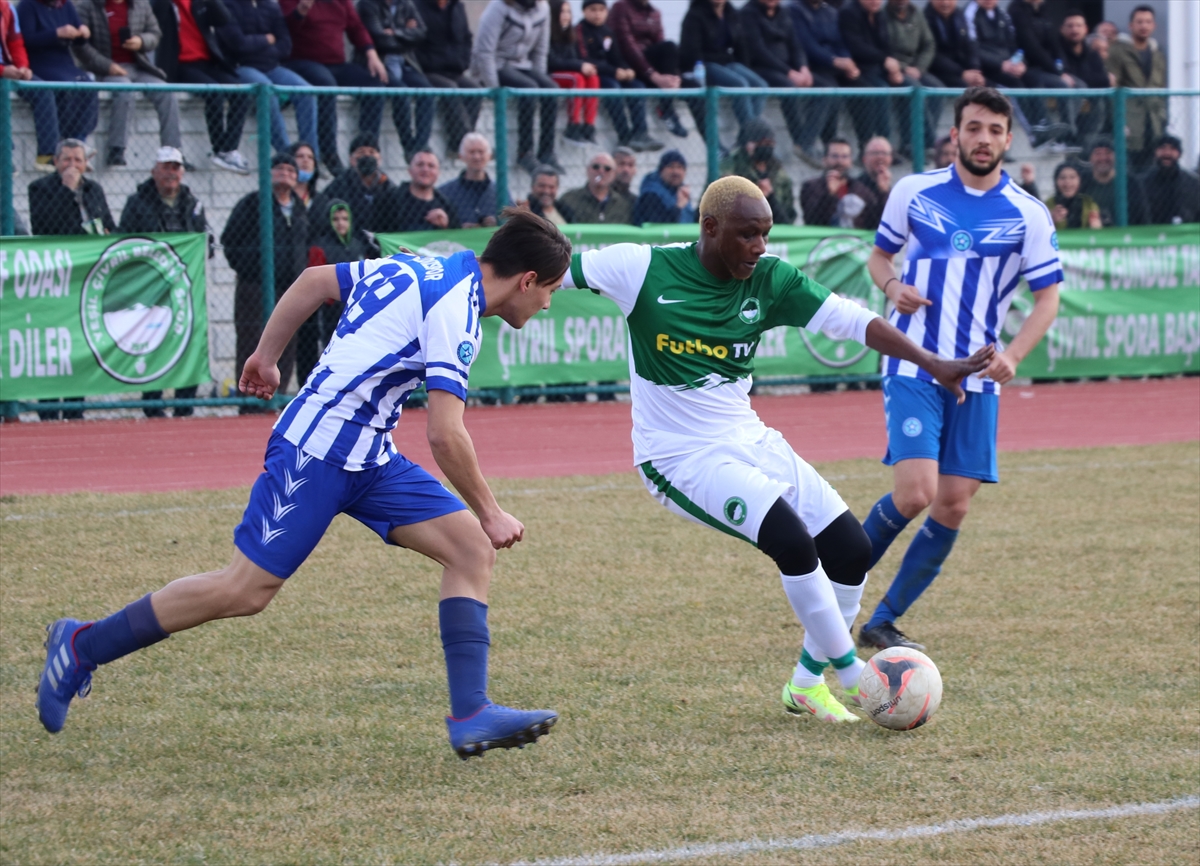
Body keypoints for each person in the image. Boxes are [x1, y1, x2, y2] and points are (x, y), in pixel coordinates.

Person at [36, 209, 571, 763]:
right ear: (527, 280)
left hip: (370, 457)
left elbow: (316, 283)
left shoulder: (428, 267)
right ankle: (80, 645)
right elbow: (444, 433)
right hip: (314, 451)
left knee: (467, 550)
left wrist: (267, 357)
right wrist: (490, 509)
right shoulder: (457, 309)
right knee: (245, 590)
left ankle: (470, 714)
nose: (548, 303)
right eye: (550, 290)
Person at [561, 174, 991, 722]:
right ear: (710, 229)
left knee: (852, 550)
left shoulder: (769, 279)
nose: (759, 248)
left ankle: (807, 686)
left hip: (749, 438)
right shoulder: (642, 268)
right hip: (678, 457)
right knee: (792, 540)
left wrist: (931, 362)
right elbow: (555, 268)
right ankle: (858, 677)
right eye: (746, 235)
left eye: (765, 235)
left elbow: (852, 320)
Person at [859, 87, 1061, 651]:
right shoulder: (913, 192)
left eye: (995, 130)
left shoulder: (1028, 214)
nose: (983, 139)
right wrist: (894, 285)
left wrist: (1013, 356)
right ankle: (832, 584)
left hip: (976, 378)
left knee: (954, 502)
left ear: (1008, 139)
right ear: (955, 134)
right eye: (973, 128)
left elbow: (1048, 297)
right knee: (917, 492)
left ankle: (883, 620)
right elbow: (879, 257)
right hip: (916, 364)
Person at [117, 146, 211, 417]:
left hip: (187, 287)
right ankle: (153, 403)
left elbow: (204, 238)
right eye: (166, 167)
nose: (171, 173)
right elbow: (126, 238)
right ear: (154, 171)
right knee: (154, 339)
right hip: (150, 288)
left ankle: (185, 404)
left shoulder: (193, 203)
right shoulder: (137, 202)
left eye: (175, 167)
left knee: (191, 340)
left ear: (182, 172)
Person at [222, 153, 310, 397]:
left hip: (290, 289)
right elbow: (230, 242)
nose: (286, 174)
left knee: (288, 342)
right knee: (252, 341)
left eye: (291, 171)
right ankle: (249, 397)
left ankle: (277, 397)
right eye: (280, 169)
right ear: (269, 174)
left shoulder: (300, 207)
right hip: (254, 288)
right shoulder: (252, 203)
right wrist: (251, 269)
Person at [280, 0, 387, 177]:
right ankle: (328, 153)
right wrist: (301, 11)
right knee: (326, 85)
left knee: (374, 86)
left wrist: (371, 54)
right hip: (302, 62)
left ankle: (366, 151)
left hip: (336, 63)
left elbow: (356, 28)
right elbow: (285, 29)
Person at [72, 0, 183, 168]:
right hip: (105, 69)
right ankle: (117, 149)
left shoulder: (140, 5)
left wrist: (141, 41)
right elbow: (81, 46)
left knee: (166, 93)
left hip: (138, 66)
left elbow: (155, 33)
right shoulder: (87, 6)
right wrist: (107, 66)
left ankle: (173, 152)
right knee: (125, 91)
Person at [150, 0, 251, 174]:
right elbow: (155, 14)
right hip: (180, 65)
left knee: (241, 93)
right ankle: (219, 148)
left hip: (207, 63)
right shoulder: (164, 4)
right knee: (214, 93)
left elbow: (223, 19)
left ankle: (229, 150)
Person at [471, 0, 561, 176]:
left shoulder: (542, 9)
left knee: (551, 88)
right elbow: (485, 51)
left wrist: (541, 78)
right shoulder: (498, 7)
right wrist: (493, 88)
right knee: (529, 88)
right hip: (497, 64)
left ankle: (546, 151)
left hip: (523, 64)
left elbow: (540, 50)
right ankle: (525, 152)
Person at [224, 0, 320, 164]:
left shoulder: (271, 6)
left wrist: (262, 47)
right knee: (267, 92)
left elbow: (285, 45)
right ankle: (288, 156)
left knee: (307, 92)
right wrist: (266, 40)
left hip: (271, 66)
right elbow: (237, 44)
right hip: (241, 67)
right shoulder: (228, 5)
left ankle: (310, 157)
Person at [297, 198, 380, 383]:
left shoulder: (359, 246)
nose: (341, 223)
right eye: (336, 219)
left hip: (358, 308)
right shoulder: (320, 247)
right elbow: (316, 282)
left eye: (344, 218)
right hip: (331, 312)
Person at [356, 0, 436, 163]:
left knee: (428, 92)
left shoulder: (406, 4)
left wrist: (395, 33)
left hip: (405, 61)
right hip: (378, 63)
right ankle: (408, 147)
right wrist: (406, 32)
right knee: (401, 93)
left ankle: (419, 148)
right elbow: (379, 39)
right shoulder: (367, 4)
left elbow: (422, 33)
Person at [577, 0, 661, 153]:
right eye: (593, 10)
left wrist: (628, 70)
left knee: (637, 86)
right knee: (612, 88)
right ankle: (624, 134)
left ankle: (641, 132)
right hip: (597, 76)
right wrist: (613, 71)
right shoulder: (580, 30)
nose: (597, 14)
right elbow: (585, 59)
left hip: (612, 73)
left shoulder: (608, 31)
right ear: (584, 11)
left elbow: (617, 57)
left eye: (601, 10)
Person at [16, 0, 99, 153]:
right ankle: (65, 142)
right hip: (39, 63)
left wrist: (83, 33)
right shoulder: (27, 5)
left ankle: (79, 141)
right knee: (65, 84)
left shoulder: (66, 5)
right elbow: (26, 39)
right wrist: (56, 33)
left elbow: (78, 39)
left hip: (64, 63)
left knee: (88, 84)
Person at [680, 0, 767, 133]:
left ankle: (748, 135)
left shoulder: (731, 13)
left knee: (760, 85)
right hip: (705, 65)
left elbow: (741, 46)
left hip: (727, 62)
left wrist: (743, 68)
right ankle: (751, 138)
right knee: (740, 85)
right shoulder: (695, 16)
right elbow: (691, 53)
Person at [741, 0, 813, 158]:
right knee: (787, 86)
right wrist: (790, 73)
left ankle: (811, 140)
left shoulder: (784, 13)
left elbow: (796, 45)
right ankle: (800, 142)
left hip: (788, 69)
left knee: (826, 87)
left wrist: (803, 68)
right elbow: (758, 50)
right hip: (761, 68)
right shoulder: (748, 13)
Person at [609, 0, 690, 139]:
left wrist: (673, 77)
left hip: (651, 69)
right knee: (669, 46)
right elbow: (628, 48)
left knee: (693, 83)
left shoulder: (655, 12)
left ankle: (714, 144)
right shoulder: (620, 8)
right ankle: (666, 109)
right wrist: (653, 75)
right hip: (630, 67)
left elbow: (661, 45)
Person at [412, 0, 480, 160]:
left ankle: (460, 144)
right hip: (428, 70)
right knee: (449, 89)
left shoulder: (458, 7)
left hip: (454, 68)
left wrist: (463, 62)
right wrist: (427, 62)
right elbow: (414, 43)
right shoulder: (417, 7)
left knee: (475, 90)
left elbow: (466, 38)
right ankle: (468, 144)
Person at [789, 0, 853, 167]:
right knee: (826, 91)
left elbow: (840, 43)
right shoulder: (795, 9)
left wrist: (847, 61)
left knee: (837, 91)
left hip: (830, 67)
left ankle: (829, 147)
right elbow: (807, 45)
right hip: (808, 66)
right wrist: (834, 61)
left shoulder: (829, 12)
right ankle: (805, 143)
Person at [1, 0, 62, 170]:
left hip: (9, 69)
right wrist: (2, 71)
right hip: (3, 71)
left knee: (43, 90)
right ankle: (4, 156)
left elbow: (16, 42)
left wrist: (23, 67)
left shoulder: (7, 8)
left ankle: (47, 154)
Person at [1107, 5, 1165, 170]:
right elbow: (1112, 87)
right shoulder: (1118, 51)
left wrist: (1162, 116)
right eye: (1139, 22)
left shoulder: (1157, 54)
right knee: (1129, 170)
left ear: (1154, 26)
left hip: (1153, 122)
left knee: (1151, 168)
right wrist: (1118, 120)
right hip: (1129, 121)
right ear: (1131, 25)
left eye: (1148, 22)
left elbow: (1160, 88)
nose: (1144, 26)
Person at [311, 134, 401, 233]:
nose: (367, 156)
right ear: (351, 159)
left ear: (380, 159)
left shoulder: (388, 187)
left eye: (372, 152)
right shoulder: (339, 186)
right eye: (361, 152)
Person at [886, 0, 942, 160]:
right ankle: (917, 143)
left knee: (936, 88)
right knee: (913, 89)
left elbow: (929, 44)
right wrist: (902, 67)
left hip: (915, 67)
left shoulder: (916, 13)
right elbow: (884, 47)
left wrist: (919, 68)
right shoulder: (883, 16)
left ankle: (923, 142)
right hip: (894, 69)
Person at [837, 0, 897, 149]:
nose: (875, 1)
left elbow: (886, 44)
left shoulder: (880, 15)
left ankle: (911, 145)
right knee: (879, 90)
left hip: (878, 68)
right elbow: (856, 47)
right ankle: (873, 146)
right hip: (856, 69)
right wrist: (884, 59)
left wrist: (894, 68)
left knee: (912, 85)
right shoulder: (848, 13)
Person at [28, 137, 114, 235]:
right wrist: (67, 189)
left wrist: (108, 233)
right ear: (56, 162)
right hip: (60, 246)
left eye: (78, 160)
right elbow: (42, 226)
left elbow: (110, 225)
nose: (72, 165)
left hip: (93, 246)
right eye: (67, 159)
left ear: (85, 163)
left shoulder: (94, 188)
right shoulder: (39, 187)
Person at [720, 117, 795, 226]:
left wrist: (770, 197)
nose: (765, 146)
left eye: (768, 143)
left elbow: (788, 220)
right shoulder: (730, 166)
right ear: (747, 144)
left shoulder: (780, 174)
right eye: (760, 142)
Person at [1057, 9, 1110, 151]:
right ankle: (1067, 136)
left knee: (1099, 101)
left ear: (1086, 29)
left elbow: (1104, 81)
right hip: (1065, 104)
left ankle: (1087, 147)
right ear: (1062, 29)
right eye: (1070, 26)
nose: (1074, 29)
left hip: (1091, 106)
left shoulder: (1093, 55)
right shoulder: (1057, 51)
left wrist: (1079, 79)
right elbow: (1062, 76)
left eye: (1078, 26)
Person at [547, 0, 598, 147]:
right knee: (577, 79)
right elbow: (552, 62)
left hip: (567, 71)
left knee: (593, 78)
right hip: (552, 73)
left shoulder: (570, 33)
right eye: (562, 12)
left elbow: (574, 58)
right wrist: (580, 65)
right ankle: (573, 126)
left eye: (568, 12)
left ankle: (589, 126)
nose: (566, 16)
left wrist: (584, 66)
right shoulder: (547, 32)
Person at [799, 136, 874, 228]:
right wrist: (830, 195)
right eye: (835, 156)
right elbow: (811, 221)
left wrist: (884, 192)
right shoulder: (811, 187)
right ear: (825, 160)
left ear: (850, 162)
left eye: (844, 157)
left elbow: (876, 221)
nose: (840, 161)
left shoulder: (861, 190)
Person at [438, 132, 507, 228]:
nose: (477, 157)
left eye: (481, 152)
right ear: (461, 156)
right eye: (472, 152)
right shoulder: (445, 193)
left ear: (489, 156)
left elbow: (512, 221)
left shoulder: (500, 192)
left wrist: (497, 222)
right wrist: (458, 227)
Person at [1080, 136, 1148, 227]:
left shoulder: (1131, 182)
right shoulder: (1081, 182)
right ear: (1090, 158)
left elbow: (1142, 217)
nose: (1103, 158)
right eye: (1098, 153)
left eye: (1108, 153)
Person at [1139, 135, 1200, 226]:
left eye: (1172, 149)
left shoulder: (1193, 183)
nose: (1167, 153)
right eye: (1162, 148)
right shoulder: (1143, 183)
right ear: (1155, 152)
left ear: (1179, 154)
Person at [559, 150, 633, 224]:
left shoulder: (623, 205)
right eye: (596, 167)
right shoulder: (569, 200)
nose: (601, 171)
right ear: (587, 171)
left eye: (607, 169)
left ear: (614, 174)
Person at [395, 149, 461, 231]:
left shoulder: (447, 206)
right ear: (409, 171)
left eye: (431, 166)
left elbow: (457, 239)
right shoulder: (390, 200)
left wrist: (446, 226)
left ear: (438, 173)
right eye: (420, 165)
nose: (425, 169)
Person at [631, 147, 693, 225]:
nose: (675, 171)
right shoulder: (651, 194)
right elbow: (658, 226)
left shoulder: (681, 192)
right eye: (671, 166)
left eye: (680, 167)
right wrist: (678, 206)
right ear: (661, 171)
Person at [1044, 161, 1100, 230]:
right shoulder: (1048, 204)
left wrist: (1095, 224)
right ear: (1056, 181)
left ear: (1080, 180)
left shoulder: (1088, 203)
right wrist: (1051, 220)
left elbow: (1097, 230)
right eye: (1062, 178)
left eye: (1072, 177)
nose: (1067, 182)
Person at [855, 134, 892, 230]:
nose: (880, 157)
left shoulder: (896, 190)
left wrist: (884, 192)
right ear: (864, 159)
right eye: (875, 153)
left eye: (884, 153)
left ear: (890, 159)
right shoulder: (855, 187)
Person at [290, 140, 320, 208]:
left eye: (310, 157)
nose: (306, 160)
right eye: (300, 156)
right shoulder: (280, 198)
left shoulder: (321, 201)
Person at [610, 145, 639, 209]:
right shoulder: (601, 197)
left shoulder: (636, 202)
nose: (626, 170)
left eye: (630, 165)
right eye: (621, 164)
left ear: (635, 171)